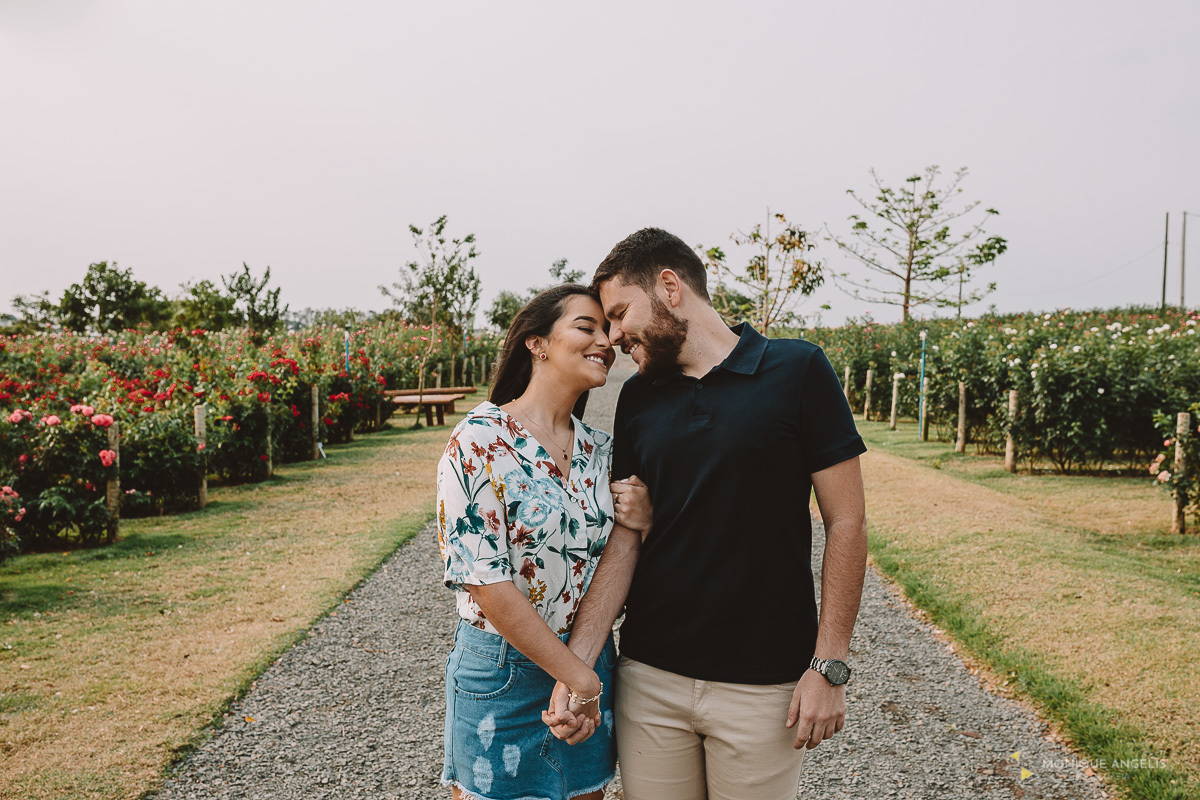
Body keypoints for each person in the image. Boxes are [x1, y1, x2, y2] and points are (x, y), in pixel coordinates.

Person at [543, 228, 869, 800]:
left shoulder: (798, 370)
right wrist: (578, 666)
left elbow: (847, 522)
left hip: (763, 687)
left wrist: (829, 664)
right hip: (651, 679)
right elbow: (627, 538)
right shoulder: (639, 397)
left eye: (619, 314)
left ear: (669, 287)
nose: (613, 336)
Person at [437, 284, 651, 800]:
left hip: (589, 660)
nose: (606, 341)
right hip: (504, 675)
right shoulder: (478, 440)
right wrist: (578, 678)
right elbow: (486, 582)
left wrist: (640, 523)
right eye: (586, 327)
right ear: (537, 343)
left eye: (607, 331)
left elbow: (617, 558)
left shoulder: (602, 452)